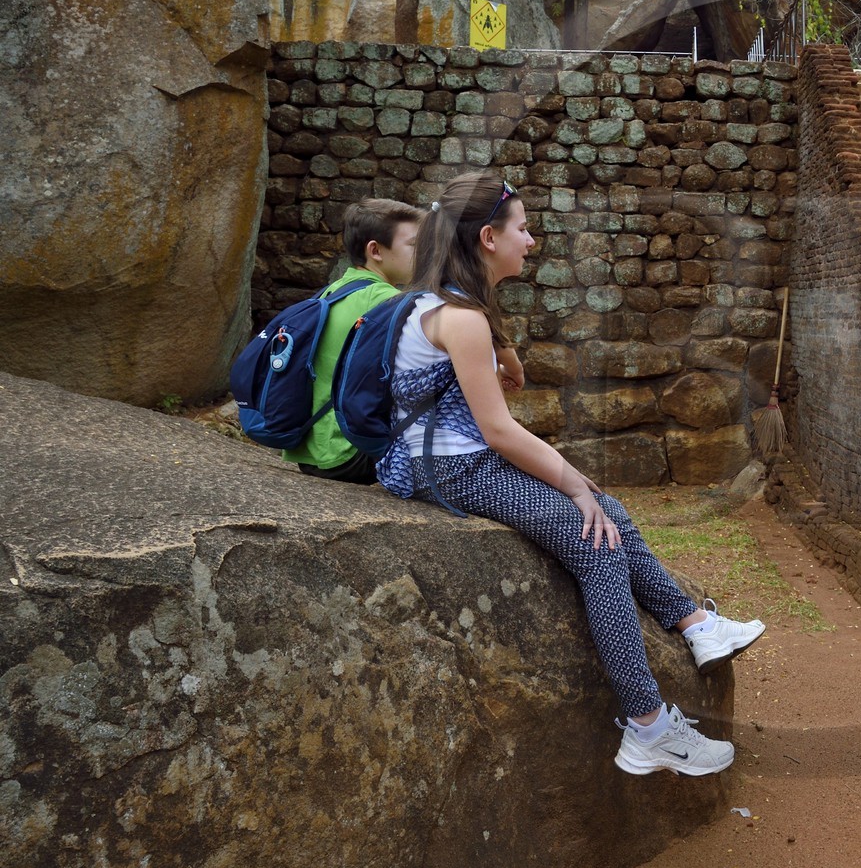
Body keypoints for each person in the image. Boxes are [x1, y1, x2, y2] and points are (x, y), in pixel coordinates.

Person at [375, 170, 765, 776]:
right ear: (488, 238)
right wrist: (574, 482)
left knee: (610, 512)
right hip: (453, 469)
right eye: (523, 229)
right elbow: (498, 431)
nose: (531, 241)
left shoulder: (438, 303)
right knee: (597, 542)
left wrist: (578, 482)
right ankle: (648, 726)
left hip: (446, 461)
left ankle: (696, 624)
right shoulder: (460, 318)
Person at [285, 197, 421, 484]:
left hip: (311, 451)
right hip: (350, 453)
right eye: (413, 245)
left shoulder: (333, 290)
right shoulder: (387, 301)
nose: (423, 253)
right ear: (375, 251)